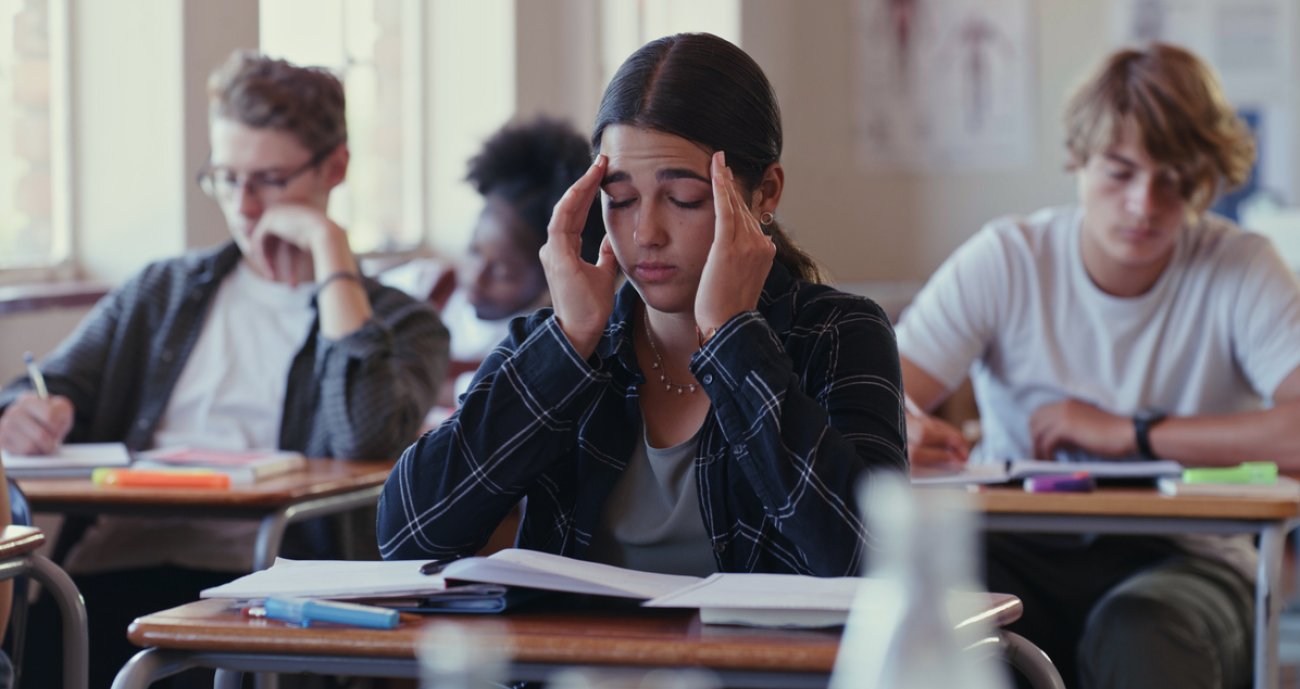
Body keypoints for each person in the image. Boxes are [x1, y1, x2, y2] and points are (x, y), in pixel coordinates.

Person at [897, 43, 1300, 688]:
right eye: (1120, 172)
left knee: (1144, 633)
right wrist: (900, 425)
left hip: (1190, 558)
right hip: (1021, 548)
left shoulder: (1239, 266)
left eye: (1173, 179)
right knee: (951, 620)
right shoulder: (1009, 259)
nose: (1144, 204)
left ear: (1204, 178)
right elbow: (871, 402)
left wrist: (1130, 432)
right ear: (1079, 158)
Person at [378, 32, 907, 577]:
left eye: (684, 199)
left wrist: (733, 338)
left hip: (757, 664)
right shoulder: (567, 343)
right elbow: (409, 535)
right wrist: (569, 343)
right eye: (621, 199)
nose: (647, 232)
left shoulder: (839, 333)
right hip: (577, 663)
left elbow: (872, 562)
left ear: (765, 193)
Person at [0, 51, 449, 687]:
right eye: (225, 177)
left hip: (273, 584)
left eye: (268, 179)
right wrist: (34, 410)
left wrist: (330, 253)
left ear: (335, 167)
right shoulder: (167, 290)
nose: (243, 205)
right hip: (115, 569)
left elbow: (368, 438)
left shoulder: (403, 322)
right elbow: (53, 381)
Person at [380, 117, 605, 401]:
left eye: (503, 271)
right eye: (474, 251)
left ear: (547, 277)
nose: (477, 275)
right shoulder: (425, 284)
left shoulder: (537, 345)